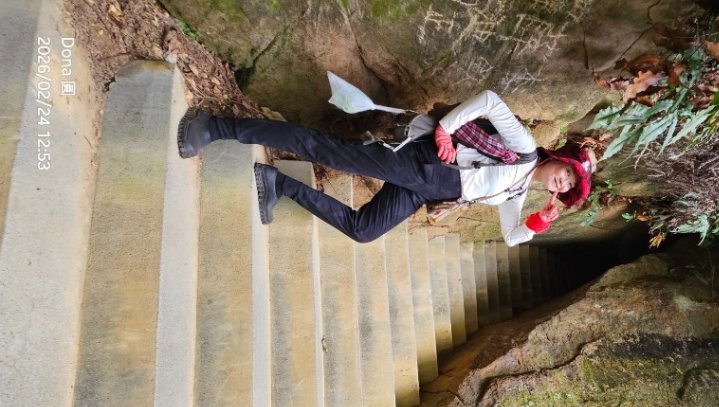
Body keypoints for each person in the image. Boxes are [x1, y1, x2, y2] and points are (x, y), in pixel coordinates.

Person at [176, 90, 594, 246]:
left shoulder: (518, 193)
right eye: (569, 171)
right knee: (325, 150)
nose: (564, 179)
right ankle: (215, 125)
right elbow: (489, 101)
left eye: (569, 184)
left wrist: (538, 224)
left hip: (428, 187)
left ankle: (279, 183)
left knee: (364, 230)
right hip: (426, 162)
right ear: (560, 158)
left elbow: (510, 237)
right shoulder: (524, 149)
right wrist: (447, 130)